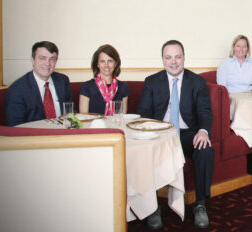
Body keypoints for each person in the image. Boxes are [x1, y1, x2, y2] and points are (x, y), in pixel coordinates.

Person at [137, 40, 214, 229]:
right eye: (168, 57)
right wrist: (149, 133)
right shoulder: (151, 81)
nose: (173, 62)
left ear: (184, 58)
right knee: (144, 152)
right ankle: (152, 207)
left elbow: (205, 111)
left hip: (187, 133)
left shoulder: (197, 82)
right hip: (159, 133)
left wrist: (203, 131)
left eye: (177, 57)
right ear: (163, 60)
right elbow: (144, 112)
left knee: (205, 149)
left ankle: (200, 204)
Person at [5, 41, 72, 126]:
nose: (47, 64)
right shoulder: (17, 89)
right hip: (34, 133)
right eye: (42, 58)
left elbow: (70, 113)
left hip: (63, 132)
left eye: (52, 59)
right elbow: (15, 126)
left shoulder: (63, 81)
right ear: (32, 60)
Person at [79, 44, 129, 115]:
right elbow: (84, 118)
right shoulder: (86, 87)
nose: (106, 65)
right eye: (102, 61)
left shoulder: (123, 87)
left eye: (110, 61)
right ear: (97, 64)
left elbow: (122, 118)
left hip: (115, 122)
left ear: (115, 63)